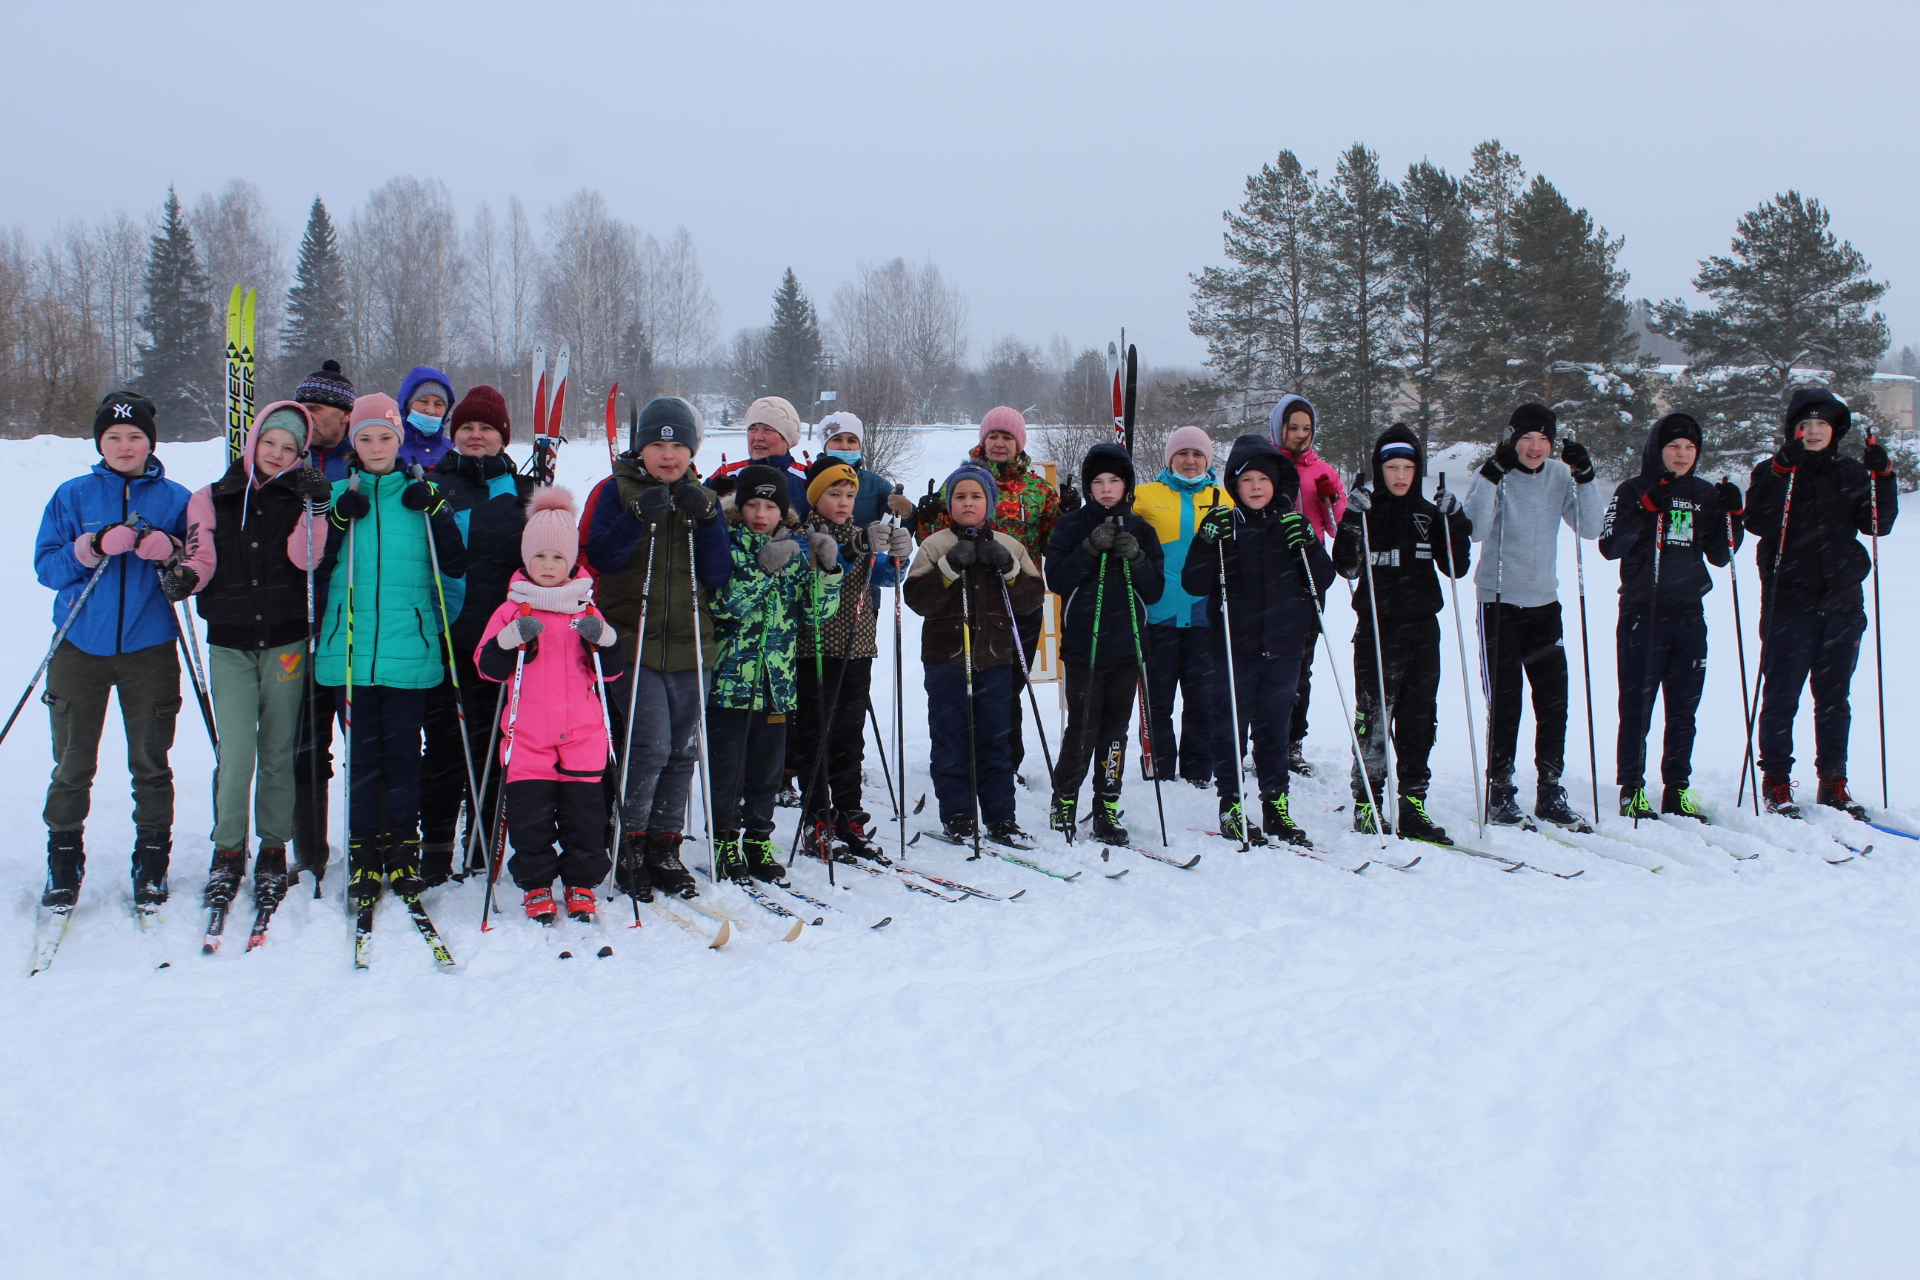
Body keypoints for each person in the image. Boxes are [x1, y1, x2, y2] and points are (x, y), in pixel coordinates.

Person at [33, 392, 193, 909]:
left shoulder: (175, 498)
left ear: (151, 442)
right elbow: (48, 569)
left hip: (149, 647)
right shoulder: (72, 496)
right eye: (114, 437)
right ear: (100, 442)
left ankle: (151, 860)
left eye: (136, 437)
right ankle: (63, 858)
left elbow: (196, 571)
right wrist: (92, 546)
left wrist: (169, 554)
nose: (125, 446)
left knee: (150, 759)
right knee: (73, 759)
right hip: (79, 643)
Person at [175, 402, 333, 913]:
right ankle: (227, 851)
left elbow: (305, 559)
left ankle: (271, 848)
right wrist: (184, 578)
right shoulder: (212, 497)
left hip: (286, 642)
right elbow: (201, 558)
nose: (277, 454)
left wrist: (317, 510)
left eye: (289, 449)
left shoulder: (298, 497)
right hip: (230, 643)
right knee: (237, 752)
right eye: (270, 444)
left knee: (279, 752)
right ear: (254, 441)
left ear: (299, 454)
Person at [314, 394, 468, 906]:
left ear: (400, 440)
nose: (376, 446)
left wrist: (438, 510)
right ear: (352, 443)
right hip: (350, 652)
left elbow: (454, 562)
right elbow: (311, 566)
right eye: (365, 437)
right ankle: (363, 856)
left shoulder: (422, 491)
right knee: (363, 758)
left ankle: (403, 852)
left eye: (385, 437)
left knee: (404, 757)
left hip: (411, 649)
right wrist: (336, 520)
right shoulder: (338, 492)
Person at [584, 397, 732, 900]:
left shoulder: (703, 496)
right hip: (633, 639)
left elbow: (717, 574)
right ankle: (630, 840)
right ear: (640, 447)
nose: (668, 455)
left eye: (678, 445)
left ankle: (664, 845)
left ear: (692, 450)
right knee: (649, 746)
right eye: (657, 444)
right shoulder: (613, 489)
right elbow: (600, 557)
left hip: (692, 641)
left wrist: (711, 520)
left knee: (683, 749)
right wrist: (634, 518)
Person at [1745, 388, 1897, 820]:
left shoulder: (1851, 472)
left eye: (1822, 425)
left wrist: (1883, 476)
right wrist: (1778, 471)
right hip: (1789, 604)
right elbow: (1757, 521)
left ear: (1836, 431)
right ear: (1793, 430)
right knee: (1782, 695)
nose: (1813, 432)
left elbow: (1877, 524)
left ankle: (1834, 782)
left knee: (1834, 698)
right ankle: (1776, 780)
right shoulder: (1775, 470)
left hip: (1843, 605)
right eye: (1805, 424)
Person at [475, 488, 624, 923]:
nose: (547, 566)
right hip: (528, 735)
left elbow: (610, 672)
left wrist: (606, 641)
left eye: (557, 558)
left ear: (571, 562)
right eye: (539, 557)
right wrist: (508, 641)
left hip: (582, 733)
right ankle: (537, 884)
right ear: (526, 559)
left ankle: (581, 883)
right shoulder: (510, 610)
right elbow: (487, 667)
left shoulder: (586, 607)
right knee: (530, 818)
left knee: (584, 817)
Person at [1184, 435, 1333, 847]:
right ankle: (1231, 804)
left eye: (1262, 479)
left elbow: (1322, 579)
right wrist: (1204, 540)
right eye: (1245, 480)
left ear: (1275, 484)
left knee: (1274, 730)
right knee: (1230, 727)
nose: (1254, 487)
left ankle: (1276, 805)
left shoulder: (1289, 525)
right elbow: (1193, 583)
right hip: (1235, 647)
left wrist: (1309, 543)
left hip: (1284, 647)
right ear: (1235, 485)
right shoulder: (1225, 527)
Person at [1463, 403, 1604, 830]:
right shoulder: (1495, 472)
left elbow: (1592, 527)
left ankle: (1550, 789)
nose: (1535, 447)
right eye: (1527, 437)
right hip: (1500, 602)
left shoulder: (1561, 476)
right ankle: (1500, 790)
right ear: (1512, 437)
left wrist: (1586, 476)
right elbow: (1475, 528)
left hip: (1545, 604)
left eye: (1544, 438)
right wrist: (1490, 475)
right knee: (1506, 702)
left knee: (1553, 702)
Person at [1597, 413, 1742, 819]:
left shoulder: (1704, 493)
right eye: (1674, 447)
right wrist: (1643, 509)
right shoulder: (1633, 489)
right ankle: (1632, 788)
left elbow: (1721, 553)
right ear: (1657, 449)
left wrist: (1735, 515)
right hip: (1644, 614)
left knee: (1684, 708)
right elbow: (1609, 546)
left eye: (1690, 448)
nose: (1681, 455)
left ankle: (1677, 787)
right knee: (1637, 706)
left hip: (1689, 616)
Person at [1331, 425, 1472, 841]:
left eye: (1407, 467)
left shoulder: (1429, 514)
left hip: (1423, 629)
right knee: (1373, 718)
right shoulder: (1367, 511)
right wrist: (1352, 518)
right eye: (1391, 467)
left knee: (1419, 720)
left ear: (1418, 470)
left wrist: (1456, 520)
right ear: (1379, 468)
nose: (1399, 475)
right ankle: (1368, 803)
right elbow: (1347, 567)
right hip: (1377, 628)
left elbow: (1456, 567)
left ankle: (1412, 803)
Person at [707, 465, 843, 883]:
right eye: (753, 504)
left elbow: (816, 614)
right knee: (729, 767)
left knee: (767, 770)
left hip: (777, 684)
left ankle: (758, 839)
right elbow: (723, 606)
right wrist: (761, 569)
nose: (761, 514)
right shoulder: (726, 545)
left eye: (770, 506)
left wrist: (827, 570)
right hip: (732, 681)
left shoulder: (793, 549)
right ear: (741, 506)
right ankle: (725, 840)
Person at [419, 385, 531, 883]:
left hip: (504, 642)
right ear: (454, 434)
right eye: (467, 427)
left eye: (487, 428)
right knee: (443, 746)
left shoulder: (523, 492)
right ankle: (436, 846)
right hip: (446, 636)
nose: (476, 436)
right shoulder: (431, 485)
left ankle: (483, 841)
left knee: (494, 744)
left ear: (503, 437)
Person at [914, 406, 1059, 780]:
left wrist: (1068, 515)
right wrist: (924, 517)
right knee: (965, 678)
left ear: (1018, 443)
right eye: (993, 436)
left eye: (1007, 437)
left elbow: (1053, 544)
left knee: (1007, 684)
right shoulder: (958, 483)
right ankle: (962, 758)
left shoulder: (1038, 490)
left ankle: (1002, 762)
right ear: (982, 440)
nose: (999, 443)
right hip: (967, 598)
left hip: (1018, 598)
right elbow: (932, 543)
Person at [905, 464, 1045, 846]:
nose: (968, 503)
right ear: (950, 504)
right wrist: (949, 567)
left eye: (976, 496)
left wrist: (1011, 568)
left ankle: (1002, 818)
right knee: (950, 740)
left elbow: (1033, 599)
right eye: (960, 497)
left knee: (994, 743)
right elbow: (917, 599)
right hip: (946, 659)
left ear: (991, 503)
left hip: (995, 659)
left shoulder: (1010, 544)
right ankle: (959, 816)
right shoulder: (935, 545)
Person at [790, 459, 913, 861]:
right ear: (816, 497)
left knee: (849, 737)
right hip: (814, 649)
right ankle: (817, 817)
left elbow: (883, 576)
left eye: (849, 496)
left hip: (857, 648)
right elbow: (818, 572)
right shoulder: (802, 534)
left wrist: (898, 555)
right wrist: (852, 550)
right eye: (834, 494)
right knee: (816, 736)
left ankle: (849, 814)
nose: (843, 502)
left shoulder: (864, 533)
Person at [1044, 443, 1165, 844]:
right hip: (1084, 645)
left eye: (1114, 480)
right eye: (1098, 482)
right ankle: (1065, 801)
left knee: (1116, 731)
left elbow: (1155, 591)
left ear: (1127, 485)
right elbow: (1057, 580)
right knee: (1082, 726)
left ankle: (1106, 806)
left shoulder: (1142, 529)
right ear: (1088, 487)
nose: (1107, 488)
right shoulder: (1071, 525)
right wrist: (1088, 548)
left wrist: (1138, 558)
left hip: (1128, 646)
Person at [1134, 426, 1232, 786]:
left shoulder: (1226, 498)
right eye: (1182, 454)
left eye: (1197, 455)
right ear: (1169, 458)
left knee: (1202, 702)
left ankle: (1197, 772)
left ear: (1207, 460)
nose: (1189, 461)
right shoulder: (1144, 496)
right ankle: (1158, 769)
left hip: (1205, 617)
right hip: (1158, 614)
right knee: (1157, 701)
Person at [289, 360, 357, 881]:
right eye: (303, 410)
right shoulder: (285, 457)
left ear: (344, 415)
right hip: (298, 616)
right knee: (306, 739)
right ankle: (310, 849)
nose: (308, 419)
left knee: (364, 735)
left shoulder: (364, 459)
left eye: (318, 410)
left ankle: (369, 837)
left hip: (353, 618)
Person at [1266, 394, 1346, 778]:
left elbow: (1338, 527)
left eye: (1306, 429)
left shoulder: (1322, 471)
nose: (1299, 435)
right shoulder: (1263, 465)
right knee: (1264, 661)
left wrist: (1333, 495)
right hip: (1267, 573)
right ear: (1278, 426)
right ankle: (1263, 739)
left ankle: (1293, 742)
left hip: (1309, 574)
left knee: (1301, 664)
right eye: (1292, 427)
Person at [708, 395, 811, 517]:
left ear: (787, 438)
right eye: (753, 428)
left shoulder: (806, 477)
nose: (757, 437)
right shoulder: (726, 475)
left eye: (767, 429)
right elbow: (695, 518)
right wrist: (713, 498)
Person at [395, 365, 457, 472]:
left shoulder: (452, 450)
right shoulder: (392, 448)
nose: (430, 410)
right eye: (423, 401)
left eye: (438, 404)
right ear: (407, 405)